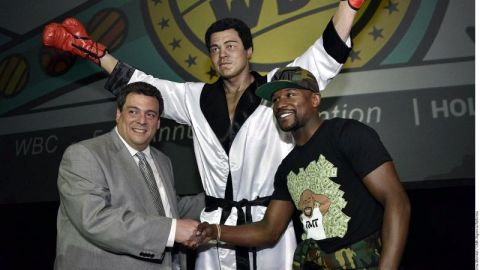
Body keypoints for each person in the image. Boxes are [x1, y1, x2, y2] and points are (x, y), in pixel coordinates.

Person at [43, 1, 364, 269]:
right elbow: (143, 85)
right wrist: (96, 54)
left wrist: (348, 7)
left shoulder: (276, 91)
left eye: (230, 46)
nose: (222, 54)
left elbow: (322, 57)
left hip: (268, 228)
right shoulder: (195, 98)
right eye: (214, 49)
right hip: (212, 231)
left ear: (249, 50)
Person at [196, 66, 411, 269]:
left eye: (290, 95)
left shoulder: (346, 133)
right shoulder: (288, 168)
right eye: (275, 99)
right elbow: (268, 230)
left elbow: (396, 200)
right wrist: (215, 231)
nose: (280, 104)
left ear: (315, 99)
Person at [54, 81, 205, 270]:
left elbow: (170, 209)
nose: (142, 120)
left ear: (158, 122)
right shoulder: (84, 154)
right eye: (133, 111)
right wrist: (172, 231)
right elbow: (96, 219)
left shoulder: (162, 160)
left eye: (150, 114)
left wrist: (223, 200)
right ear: (118, 114)